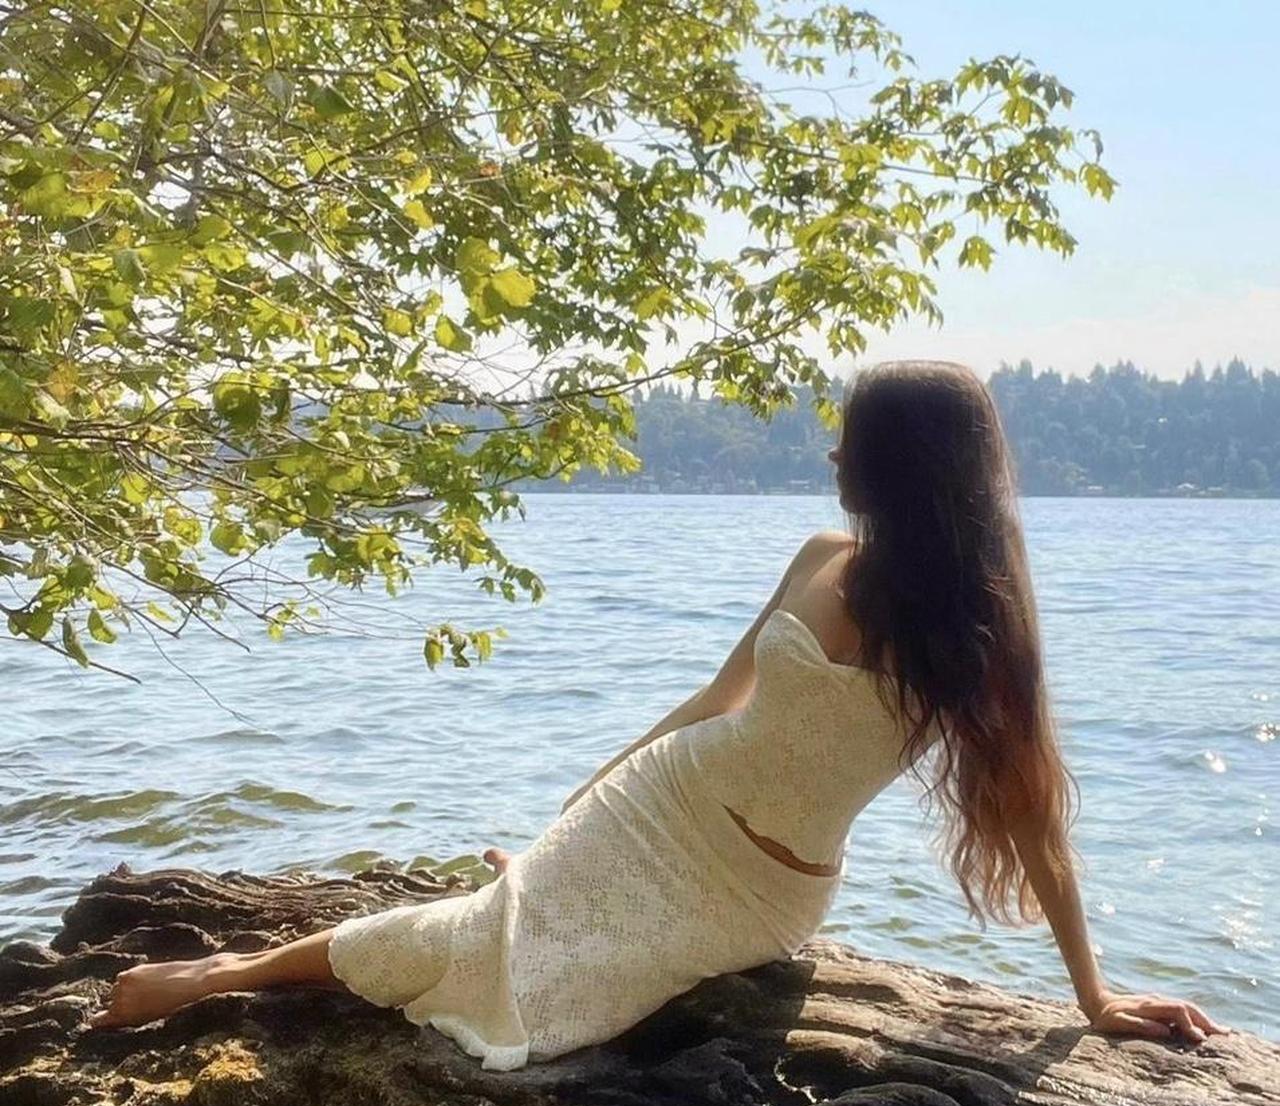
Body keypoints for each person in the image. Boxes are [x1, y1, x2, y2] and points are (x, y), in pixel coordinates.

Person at [89, 360, 1229, 1062]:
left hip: (757, 892)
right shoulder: (821, 553)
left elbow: (1035, 825)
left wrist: (1091, 994)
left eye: (851, 437)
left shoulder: (978, 638)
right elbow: (712, 698)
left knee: (526, 989)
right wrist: (566, 818)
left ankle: (258, 964)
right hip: (662, 800)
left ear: (901, 468)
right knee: (484, 924)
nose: (830, 451)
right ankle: (214, 974)